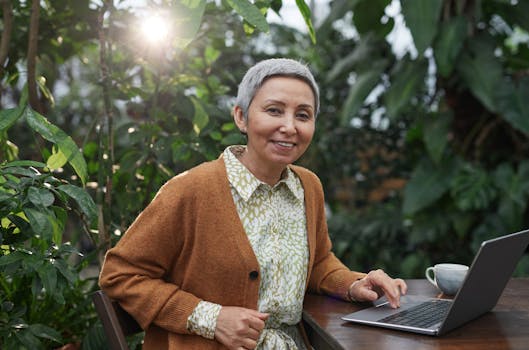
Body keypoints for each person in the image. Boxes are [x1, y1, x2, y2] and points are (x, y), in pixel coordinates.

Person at [99, 58, 407, 350]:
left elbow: (318, 264)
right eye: (274, 111)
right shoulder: (190, 190)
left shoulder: (308, 187)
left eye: (303, 115)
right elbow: (120, 274)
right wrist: (211, 318)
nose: (290, 126)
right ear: (241, 117)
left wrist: (354, 284)